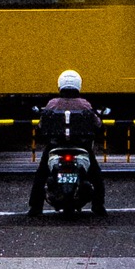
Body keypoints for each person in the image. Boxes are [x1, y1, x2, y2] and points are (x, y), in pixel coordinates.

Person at [28, 70, 102, 217]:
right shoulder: (85, 105)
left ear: (60, 85)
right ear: (78, 85)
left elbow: (41, 126)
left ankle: (35, 207)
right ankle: (99, 206)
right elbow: (98, 125)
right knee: (96, 175)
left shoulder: (52, 104)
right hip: (81, 146)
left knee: (41, 174)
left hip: (55, 146)